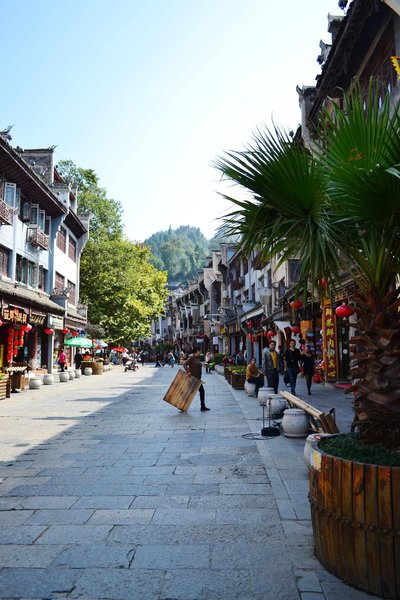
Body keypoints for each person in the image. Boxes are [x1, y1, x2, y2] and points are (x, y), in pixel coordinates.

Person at [183, 346, 210, 411]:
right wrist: (188, 371)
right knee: (192, 392)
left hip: (197, 379)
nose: (200, 352)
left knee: (194, 392)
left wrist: (204, 365)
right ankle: (182, 405)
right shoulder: (191, 358)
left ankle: (202, 406)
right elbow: (184, 364)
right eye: (199, 351)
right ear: (197, 351)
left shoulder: (197, 358)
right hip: (193, 378)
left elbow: (197, 365)